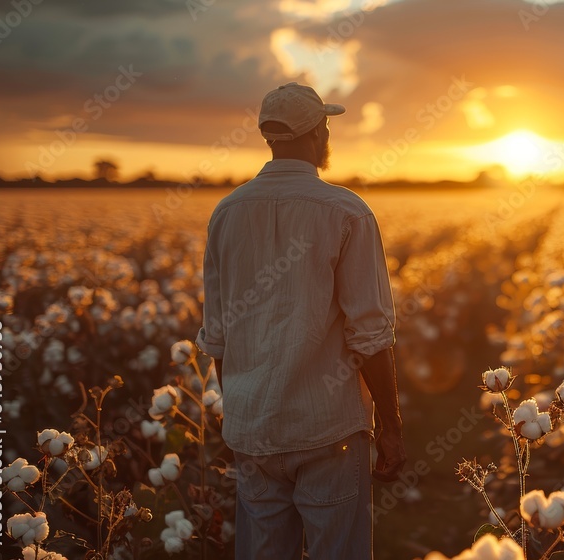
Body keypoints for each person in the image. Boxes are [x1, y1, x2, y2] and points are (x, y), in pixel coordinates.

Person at [196, 82, 406, 559]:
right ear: (318, 132)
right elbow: (370, 334)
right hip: (327, 429)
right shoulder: (345, 211)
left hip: (253, 430)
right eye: (326, 125)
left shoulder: (226, 213)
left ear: (271, 137)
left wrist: (242, 418)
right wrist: (392, 427)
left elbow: (218, 336)